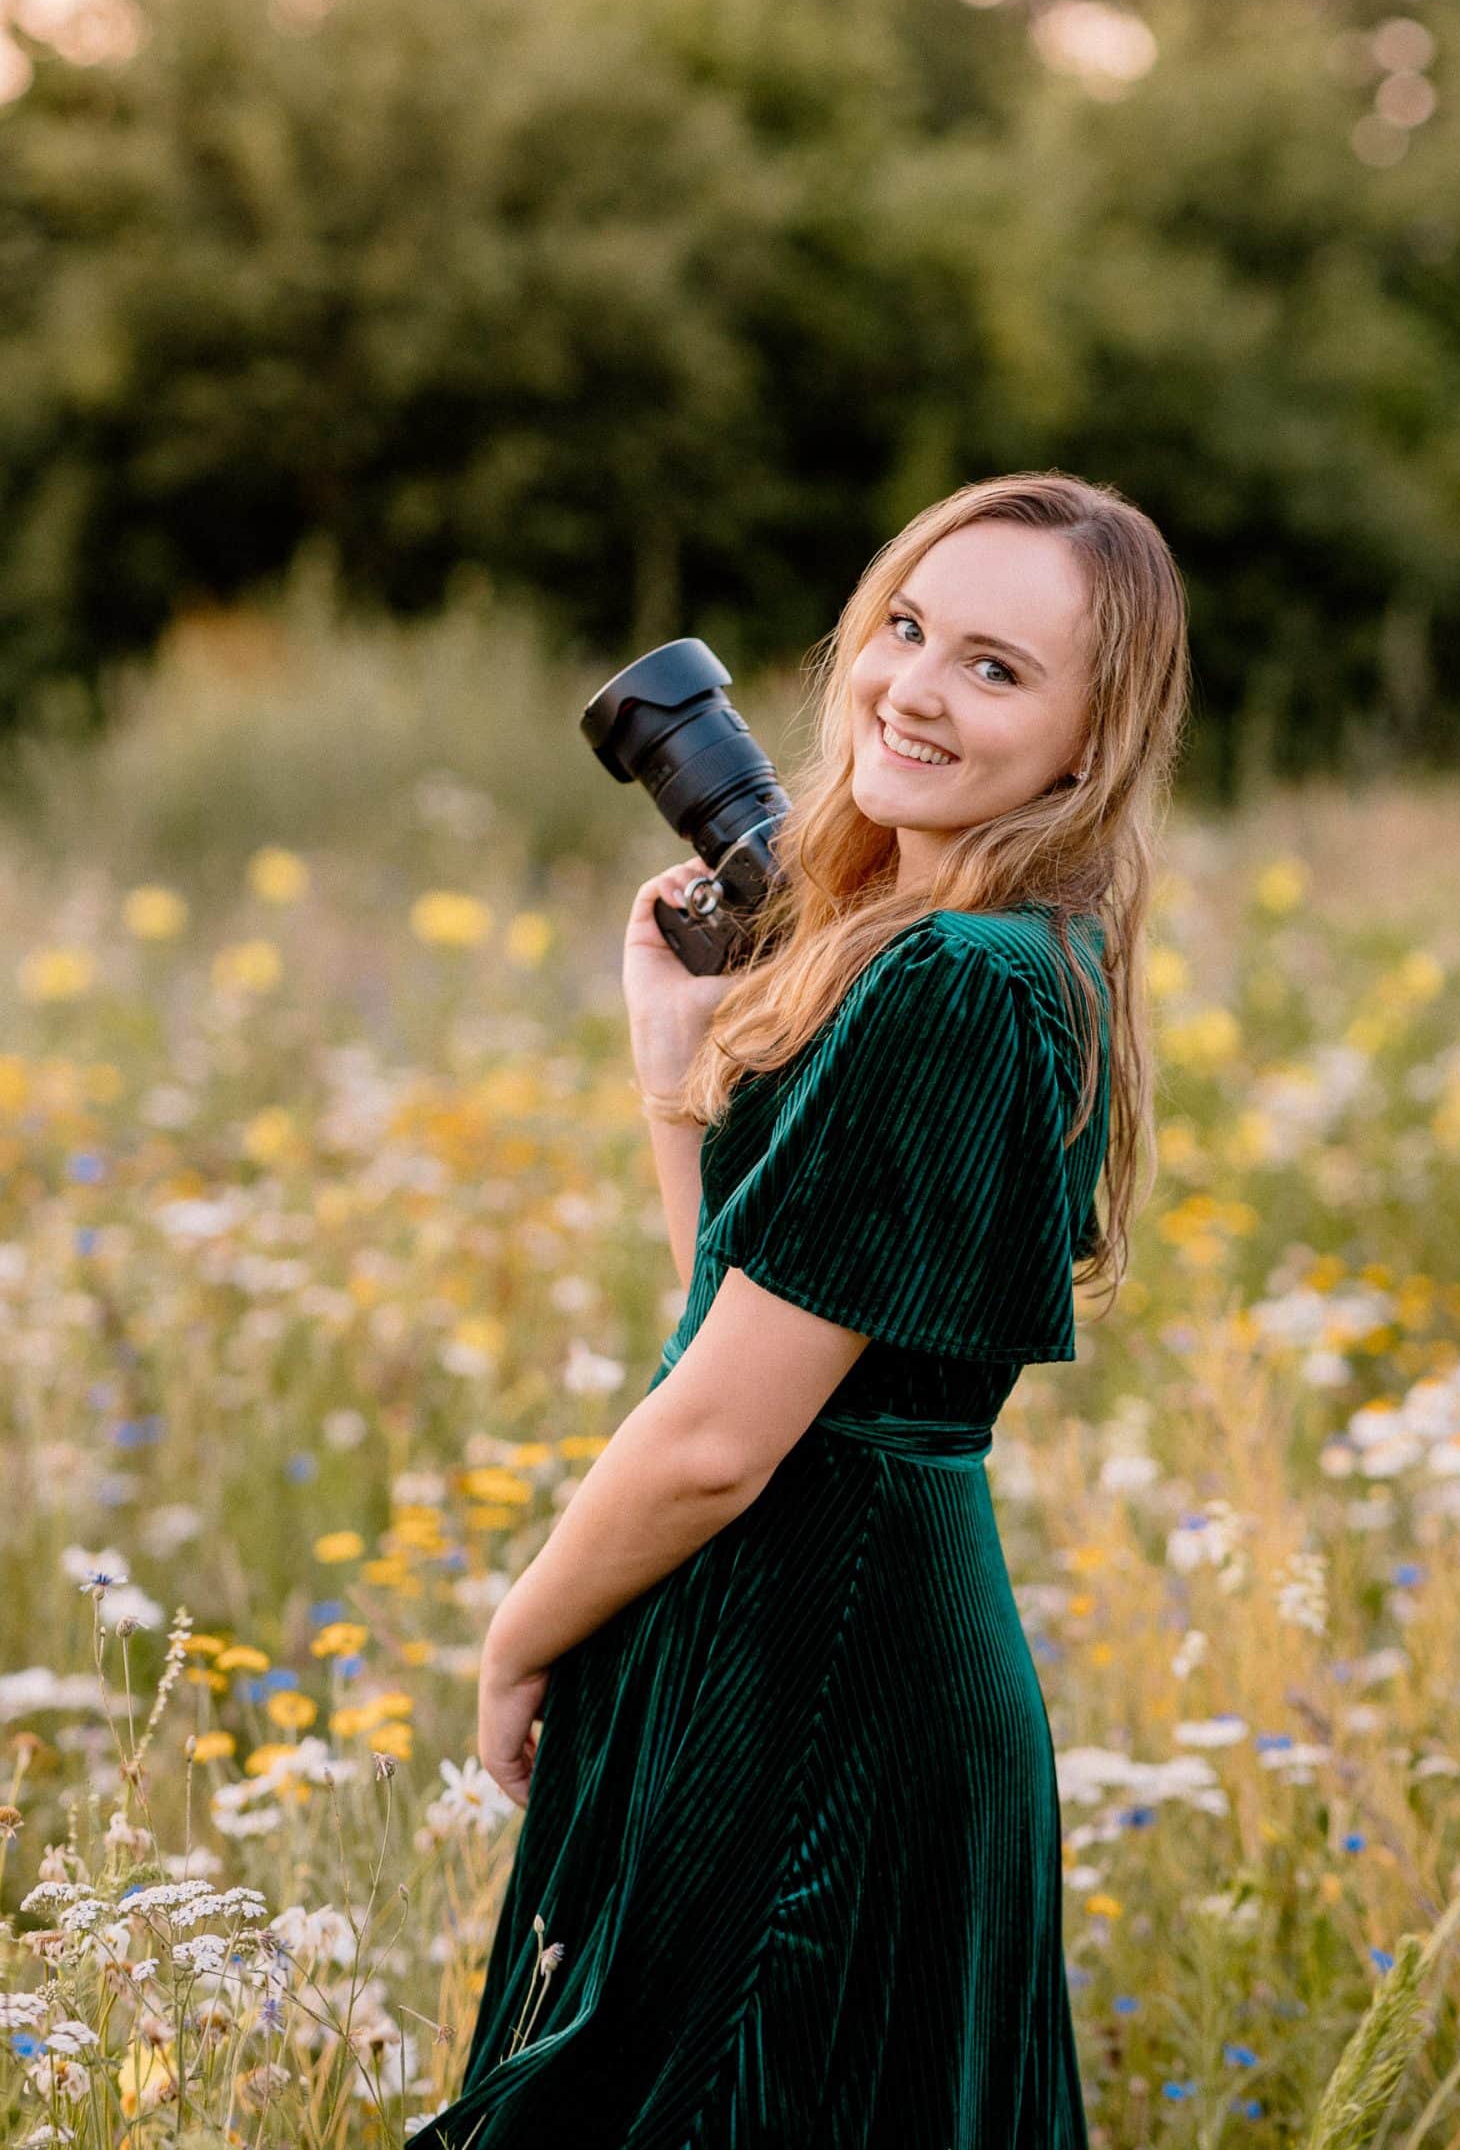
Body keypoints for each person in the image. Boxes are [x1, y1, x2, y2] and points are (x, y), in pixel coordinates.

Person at [412, 470, 1190, 2148]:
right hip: (821, 1647)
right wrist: (678, 1081)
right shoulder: (992, 953)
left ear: (1089, 738)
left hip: (823, 1689)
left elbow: (714, 1441)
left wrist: (518, 1634)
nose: (914, 687)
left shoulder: (951, 983)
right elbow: (751, 1333)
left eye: (997, 668)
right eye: (904, 630)